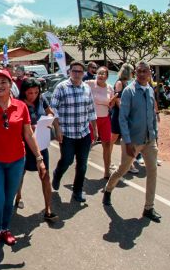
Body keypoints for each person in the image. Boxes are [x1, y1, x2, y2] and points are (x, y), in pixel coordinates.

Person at [0, 70, 47, 249]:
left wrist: (39, 157)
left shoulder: (21, 106)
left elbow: (28, 134)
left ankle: (5, 229)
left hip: (16, 161)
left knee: (8, 199)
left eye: (3, 82)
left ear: (10, 85)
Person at [102, 61, 161, 222]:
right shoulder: (129, 91)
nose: (142, 74)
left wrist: (155, 136)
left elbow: (152, 115)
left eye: (145, 71)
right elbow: (123, 118)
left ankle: (149, 207)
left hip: (149, 140)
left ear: (150, 73)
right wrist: (127, 142)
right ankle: (108, 190)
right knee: (122, 169)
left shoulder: (149, 90)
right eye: (139, 71)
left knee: (153, 172)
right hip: (133, 141)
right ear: (135, 73)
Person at [50, 61, 98, 204]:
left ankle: (77, 191)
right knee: (67, 160)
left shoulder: (86, 88)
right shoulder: (61, 87)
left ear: (83, 73)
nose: (77, 74)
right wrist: (57, 129)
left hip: (83, 133)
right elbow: (53, 109)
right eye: (74, 71)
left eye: (80, 71)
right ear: (70, 72)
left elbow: (91, 110)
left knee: (82, 164)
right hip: (67, 133)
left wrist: (94, 129)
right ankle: (57, 174)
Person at [15, 78, 58, 220]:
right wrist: (30, 127)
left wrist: (48, 119)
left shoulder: (42, 99)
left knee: (45, 175)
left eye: (36, 92)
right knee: (21, 174)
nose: (33, 95)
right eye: (30, 93)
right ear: (24, 92)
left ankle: (48, 209)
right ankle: (18, 196)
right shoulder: (18, 104)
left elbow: (50, 112)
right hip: (24, 145)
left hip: (41, 144)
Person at [86, 66, 116, 179]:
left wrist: (112, 102)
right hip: (92, 120)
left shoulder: (110, 88)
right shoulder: (89, 84)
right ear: (96, 74)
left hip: (105, 119)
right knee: (88, 144)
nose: (101, 75)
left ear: (107, 77)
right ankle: (81, 166)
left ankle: (107, 171)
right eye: (99, 73)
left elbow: (111, 104)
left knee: (107, 145)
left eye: (104, 74)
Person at [109, 63, 136, 173]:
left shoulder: (126, 83)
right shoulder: (120, 83)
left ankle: (129, 164)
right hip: (119, 115)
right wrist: (125, 112)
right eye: (132, 71)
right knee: (113, 138)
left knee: (126, 139)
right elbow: (117, 99)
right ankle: (108, 160)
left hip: (125, 115)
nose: (133, 74)